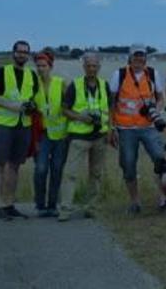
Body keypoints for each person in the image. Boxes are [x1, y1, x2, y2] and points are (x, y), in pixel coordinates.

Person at [0, 40, 40, 221]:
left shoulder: (32, 76)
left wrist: (31, 107)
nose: (22, 55)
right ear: (13, 53)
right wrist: (12, 106)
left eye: (25, 52)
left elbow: (32, 100)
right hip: (5, 124)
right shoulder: (2, 72)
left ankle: (9, 204)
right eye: (19, 51)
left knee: (15, 166)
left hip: (23, 125)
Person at [110, 43, 166, 214]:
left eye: (142, 55)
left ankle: (164, 196)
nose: (139, 59)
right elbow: (111, 103)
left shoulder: (152, 74)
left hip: (148, 126)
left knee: (159, 158)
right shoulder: (119, 75)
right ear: (130, 57)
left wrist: (155, 112)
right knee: (128, 164)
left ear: (146, 58)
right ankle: (135, 201)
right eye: (136, 56)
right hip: (125, 128)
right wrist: (111, 127)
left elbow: (161, 98)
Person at [58, 53, 112, 222]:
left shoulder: (104, 85)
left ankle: (91, 208)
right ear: (84, 67)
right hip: (79, 137)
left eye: (94, 66)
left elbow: (110, 111)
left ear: (99, 67)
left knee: (96, 174)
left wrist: (110, 130)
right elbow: (64, 109)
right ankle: (65, 209)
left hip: (99, 136)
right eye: (88, 66)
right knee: (70, 174)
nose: (91, 69)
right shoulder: (75, 86)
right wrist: (81, 117)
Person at [33, 50, 69, 217]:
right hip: (42, 134)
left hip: (61, 134)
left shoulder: (61, 83)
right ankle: (40, 205)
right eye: (38, 66)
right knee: (40, 169)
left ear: (51, 66)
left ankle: (52, 205)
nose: (41, 69)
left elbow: (69, 106)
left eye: (44, 65)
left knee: (56, 170)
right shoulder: (32, 84)